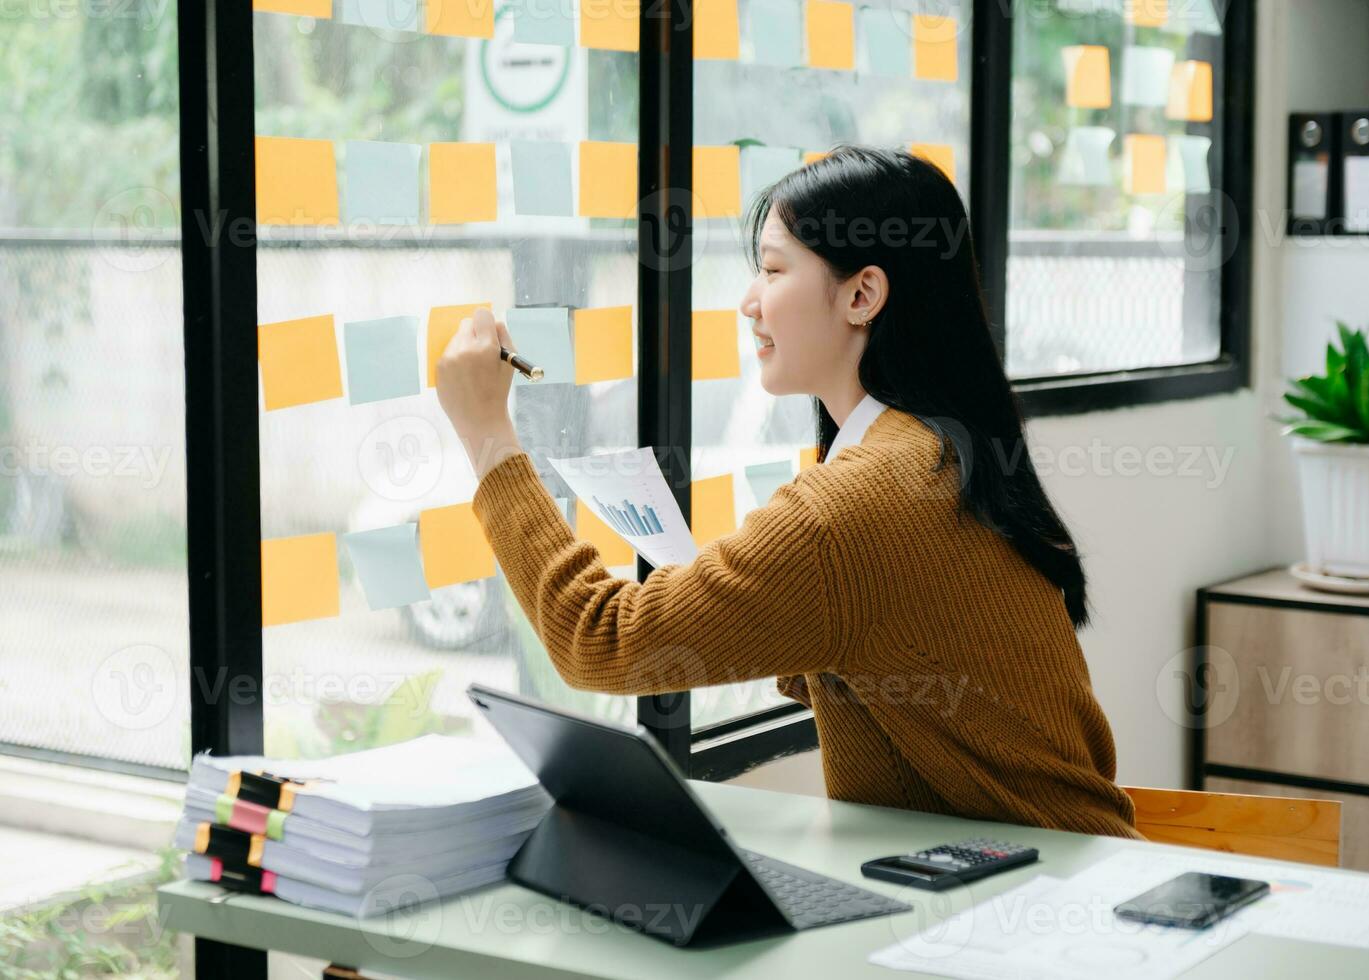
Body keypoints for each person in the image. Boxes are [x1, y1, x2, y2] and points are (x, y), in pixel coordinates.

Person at [435, 144, 1141, 839]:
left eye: (773, 269)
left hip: (1028, 918)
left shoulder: (859, 502)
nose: (749, 301)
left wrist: (488, 436)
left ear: (862, 294)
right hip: (1056, 875)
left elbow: (598, 638)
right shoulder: (937, 453)